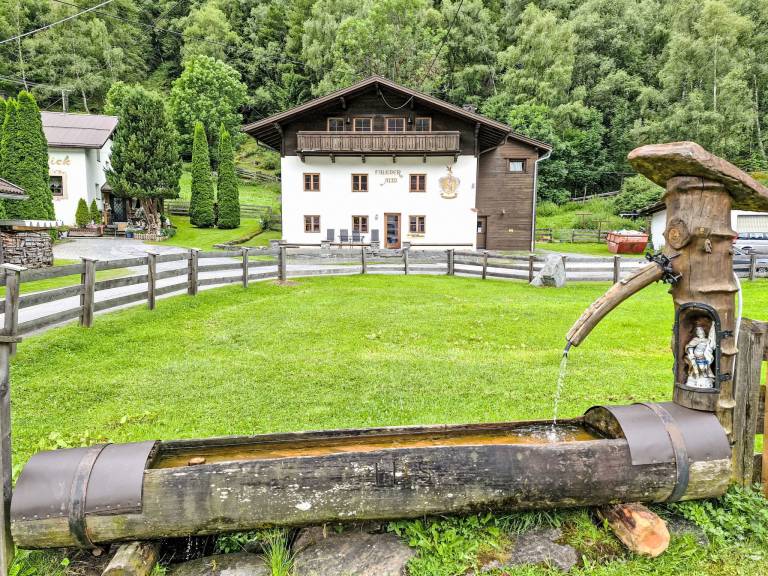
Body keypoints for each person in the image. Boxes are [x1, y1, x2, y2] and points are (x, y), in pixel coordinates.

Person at [684, 324, 716, 388]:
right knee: (695, 368)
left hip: (702, 357)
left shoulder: (707, 340)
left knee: (703, 367)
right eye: (699, 333)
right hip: (695, 357)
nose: (701, 334)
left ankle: (704, 376)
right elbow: (689, 346)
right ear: (697, 334)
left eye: (702, 332)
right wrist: (691, 353)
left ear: (704, 333)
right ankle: (695, 378)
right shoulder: (696, 340)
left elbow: (710, 346)